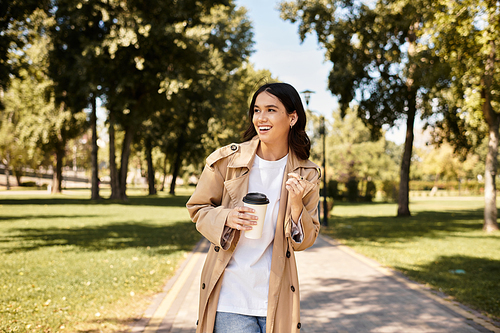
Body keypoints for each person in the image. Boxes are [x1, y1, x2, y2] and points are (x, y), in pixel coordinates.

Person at [186, 82, 321, 333]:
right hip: (230, 296)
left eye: (271, 110)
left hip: (276, 298)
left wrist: (295, 204)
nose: (261, 117)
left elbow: (306, 240)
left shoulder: (307, 173)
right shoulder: (227, 160)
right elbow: (198, 207)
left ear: (292, 118)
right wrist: (227, 217)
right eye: (257, 110)